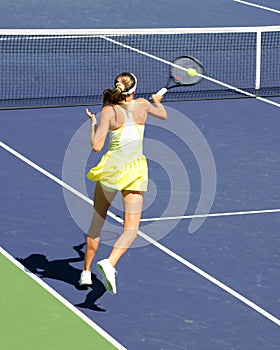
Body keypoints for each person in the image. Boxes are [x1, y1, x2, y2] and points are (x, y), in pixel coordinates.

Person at [79, 72, 167, 294]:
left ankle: (86, 273)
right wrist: (156, 101)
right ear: (134, 90)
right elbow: (163, 115)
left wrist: (93, 124)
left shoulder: (109, 112)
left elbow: (97, 147)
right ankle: (110, 262)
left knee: (97, 222)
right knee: (132, 229)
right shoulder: (143, 105)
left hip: (111, 171)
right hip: (135, 171)